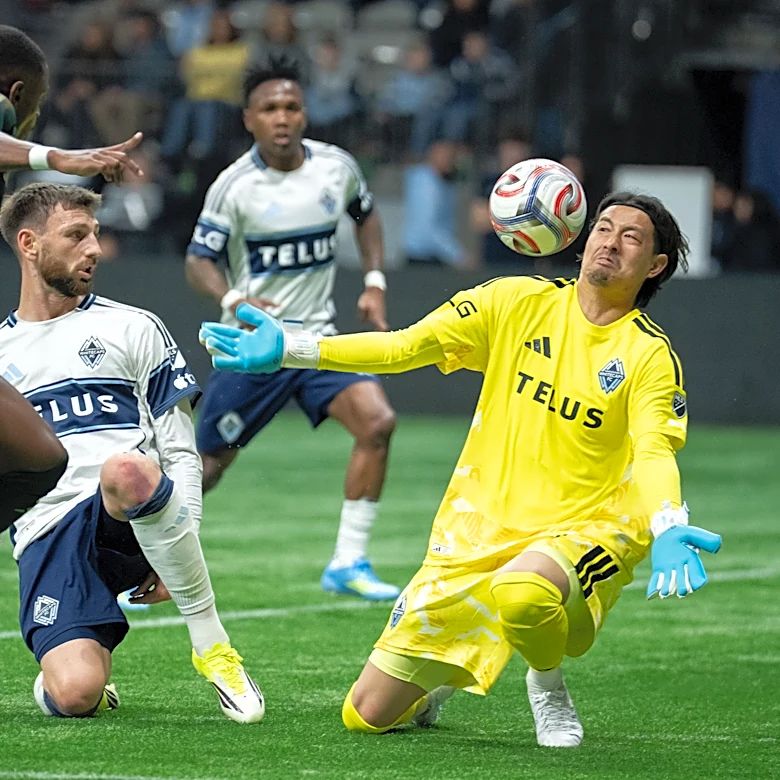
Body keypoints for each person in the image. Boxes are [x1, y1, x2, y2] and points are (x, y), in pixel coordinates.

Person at [199, 191, 723, 746]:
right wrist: (292, 351)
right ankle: (443, 679)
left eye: (631, 237)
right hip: (480, 529)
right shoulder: (514, 301)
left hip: (589, 524)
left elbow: (652, 449)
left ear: (655, 266)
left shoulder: (648, 355)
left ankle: (546, 686)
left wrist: (667, 522)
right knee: (367, 715)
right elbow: (405, 347)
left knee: (524, 593)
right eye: (603, 228)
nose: (610, 243)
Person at [0, 182, 264, 724]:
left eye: (95, 234)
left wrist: (182, 540)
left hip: (132, 508)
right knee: (75, 697)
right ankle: (69, 677)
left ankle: (214, 648)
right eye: (76, 235)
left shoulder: (133, 326)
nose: (94, 248)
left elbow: (181, 453)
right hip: (48, 533)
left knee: (126, 467)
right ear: (29, 244)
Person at [184, 58, 399, 601]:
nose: (282, 117)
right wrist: (234, 297)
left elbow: (365, 215)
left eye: (291, 107)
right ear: (249, 119)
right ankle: (148, 565)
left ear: (305, 114)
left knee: (377, 422)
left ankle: (348, 562)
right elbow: (197, 261)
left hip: (317, 340)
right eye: (269, 108)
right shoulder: (234, 187)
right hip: (255, 348)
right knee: (206, 465)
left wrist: (373, 280)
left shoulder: (336, 168)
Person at [0, 24, 144, 537]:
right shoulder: (3, 110)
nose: (30, 118)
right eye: (33, 105)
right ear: (17, 92)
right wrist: (56, 157)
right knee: (41, 457)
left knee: (42, 457)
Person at [0, 25, 144, 196]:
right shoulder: (4, 106)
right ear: (16, 94)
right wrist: (56, 157)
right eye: (38, 100)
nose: (37, 113)